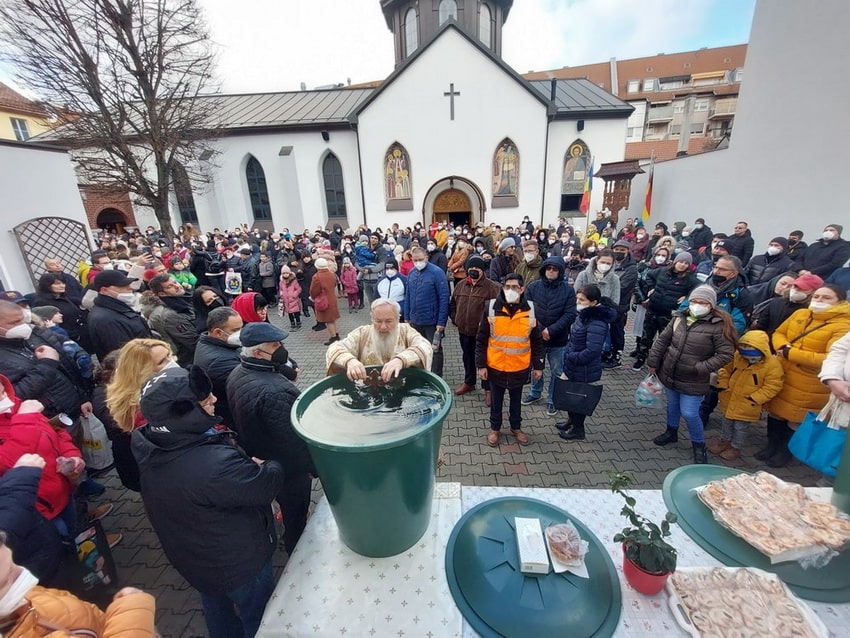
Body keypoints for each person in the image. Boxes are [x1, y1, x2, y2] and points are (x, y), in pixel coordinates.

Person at [133, 365, 282, 638]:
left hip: (195, 558)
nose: (214, 400)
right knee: (260, 617)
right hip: (240, 563)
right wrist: (268, 465)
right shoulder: (214, 465)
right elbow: (264, 486)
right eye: (204, 401)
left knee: (217, 609)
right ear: (183, 415)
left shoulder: (149, 441)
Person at [227, 323, 314, 554]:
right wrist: (314, 468)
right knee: (296, 515)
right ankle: (297, 551)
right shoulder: (275, 391)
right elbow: (293, 443)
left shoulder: (237, 372)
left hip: (262, 457)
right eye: (275, 345)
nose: (281, 348)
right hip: (288, 471)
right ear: (258, 353)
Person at [647, 286, 736, 464]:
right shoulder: (679, 318)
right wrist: (653, 362)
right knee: (672, 405)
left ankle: (698, 445)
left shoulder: (718, 325)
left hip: (693, 379)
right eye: (694, 301)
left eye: (703, 303)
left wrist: (701, 367)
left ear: (711, 305)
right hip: (670, 372)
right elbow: (663, 340)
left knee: (689, 413)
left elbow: (726, 354)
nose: (697, 305)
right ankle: (671, 432)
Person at [764, 284, 850, 467]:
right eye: (817, 296)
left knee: (795, 419)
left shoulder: (843, 326)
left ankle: (785, 452)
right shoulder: (801, 314)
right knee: (775, 412)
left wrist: (791, 353)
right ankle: (770, 446)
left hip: (808, 381)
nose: (819, 301)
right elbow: (779, 332)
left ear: (840, 302)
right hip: (783, 373)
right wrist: (783, 347)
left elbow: (831, 358)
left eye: (827, 298)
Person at [476, 273, 544, 447]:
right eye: (507, 287)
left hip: (519, 367)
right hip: (495, 366)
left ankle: (516, 428)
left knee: (516, 400)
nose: (511, 290)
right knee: (496, 401)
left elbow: (536, 340)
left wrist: (538, 365)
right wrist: (481, 365)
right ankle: (495, 429)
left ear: (522, 289)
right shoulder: (491, 307)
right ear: (502, 288)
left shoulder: (531, 309)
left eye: (515, 287)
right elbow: (481, 339)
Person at [105, 338, 175, 492]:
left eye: (169, 355)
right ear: (143, 370)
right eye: (163, 361)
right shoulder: (143, 404)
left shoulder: (142, 389)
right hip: (162, 471)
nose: (171, 362)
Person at [707, 330, 784, 461]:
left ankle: (735, 447)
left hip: (748, 404)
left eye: (752, 356)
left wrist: (755, 398)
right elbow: (726, 369)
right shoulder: (738, 356)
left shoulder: (772, 366)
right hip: (730, 399)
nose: (748, 359)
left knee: (740, 429)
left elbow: (773, 386)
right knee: (726, 424)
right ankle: (724, 442)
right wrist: (723, 384)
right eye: (746, 355)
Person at [555, 284, 617, 441]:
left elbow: (593, 351)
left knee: (579, 398)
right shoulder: (584, 315)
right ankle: (571, 421)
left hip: (583, 367)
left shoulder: (596, 322)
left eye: (582, 300)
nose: (578, 302)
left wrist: (572, 357)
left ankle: (578, 429)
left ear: (594, 302)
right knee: (570, 395)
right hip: (574, 364)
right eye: (577, 298)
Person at [327, 299, 432, 382]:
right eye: (378, 321)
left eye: (389, 321)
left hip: (401, 390)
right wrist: (349, 361)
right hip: (367, 391)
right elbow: (334, 348)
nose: (383, 327)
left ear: (398, 318)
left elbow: (425, 346)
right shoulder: (362, 333)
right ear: (372, 318)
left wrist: (401, 360)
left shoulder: (405, 331)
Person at [522, 257, 578, 414]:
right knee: (536, 366)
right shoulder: (533, 287)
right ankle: (535, 392)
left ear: (560, 271)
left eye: (555, 269)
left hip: (558, 339)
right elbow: (527, 310)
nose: (551, 271)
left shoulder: (568, 290)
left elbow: (570, 314)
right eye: (548, 268)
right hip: (536, 337)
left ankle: (553, 398)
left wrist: (551, 330)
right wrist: (540, 330)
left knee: (556, 369)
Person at [632, 252, 699, 370]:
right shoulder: (662, 271)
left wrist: (687, 297)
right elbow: (649, 276)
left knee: (665, 340)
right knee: (646, 336)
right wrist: (651, 288)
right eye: (681, 261)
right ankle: (641, 357)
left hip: (669, 315)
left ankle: (659, 361)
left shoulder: (690, 279)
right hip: (653, 309)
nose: (682, 265)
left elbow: (699, 290)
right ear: (675, 261)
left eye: (686, 263)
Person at [449, 256, 502, 401]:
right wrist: (456, 320)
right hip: (464, 331)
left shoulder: (492, 287)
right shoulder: (460, 285)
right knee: (467, 357)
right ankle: (469, 382)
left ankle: (488, 389)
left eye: (477, 268)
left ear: (482, 270)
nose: (473, 271)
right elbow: (453, 304)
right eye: (471, 268)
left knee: (485, 361)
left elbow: (498, 309)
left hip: (484, 334)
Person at [193, 307, 244, 427]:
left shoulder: (218, 343)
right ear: (218, 332)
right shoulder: (218, 362)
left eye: (242, 328)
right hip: (234, 416)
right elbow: (249, 381)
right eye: (236, 330)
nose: (241, 333)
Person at [87, 269, 152, 361]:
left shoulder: (116, 307)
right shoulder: (105, 319)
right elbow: (124, 355)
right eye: (123, 286)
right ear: (104, 290)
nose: (130, 288)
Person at [404, 247, 450, 376]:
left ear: (426, 258)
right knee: (418, 348)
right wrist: (407, 316)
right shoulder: (412, 273)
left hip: (432, 321)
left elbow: (444, 298)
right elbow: (408, 295)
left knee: (435, 350)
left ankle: (436, 376)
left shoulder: (437, 273)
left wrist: (441, 322)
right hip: (415, 320)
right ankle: (422, 373)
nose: (418, 262)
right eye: (415, 260)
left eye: (420, 259)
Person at [142, 274, 199, 367]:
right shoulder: (171, 315)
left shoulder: (186, 299)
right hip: (193, 359)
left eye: (175, 282)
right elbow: (192, 342)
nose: (177, 286)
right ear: (162, 294)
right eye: (170, 286)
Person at [749, 273, 822, 335]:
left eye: (802, 288)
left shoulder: (811, 311)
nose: (796, 290)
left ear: (813, 292)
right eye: (795, 286)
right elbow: (761, 326)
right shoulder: (776, 302)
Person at [606, 240, 639, 369]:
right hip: (606, 304)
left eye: (622, 250)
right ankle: (607, 353)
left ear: (628, 251)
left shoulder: (631, 269)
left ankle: (617, 357)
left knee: (617, 331)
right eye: (617, 249)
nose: (619, 252)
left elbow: (622, 287)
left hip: (620, 305)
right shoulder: (609, 264)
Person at [310, 257, 341, 345]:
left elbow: (314, 290)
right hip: (332, 298)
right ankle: (336, 334)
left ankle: (333, 337)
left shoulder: (317, 276)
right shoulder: (332, 274)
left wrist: (313, 296)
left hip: (324, 300)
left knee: (328, 320)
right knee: (332, 319)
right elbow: (335, 284)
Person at [277, 265, 303, 330]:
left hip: (293, 300)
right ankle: (292, 323)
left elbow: (298, 289)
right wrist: (281, 294)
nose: (285, 275)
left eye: (287, 273)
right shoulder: (281, 282)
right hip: (286, 300)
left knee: (296, 312)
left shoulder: (294, 281)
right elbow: (281, 289)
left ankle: (298, 322)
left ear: (289, 273)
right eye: (284, 273)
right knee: (289, 313)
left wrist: (294, 295)